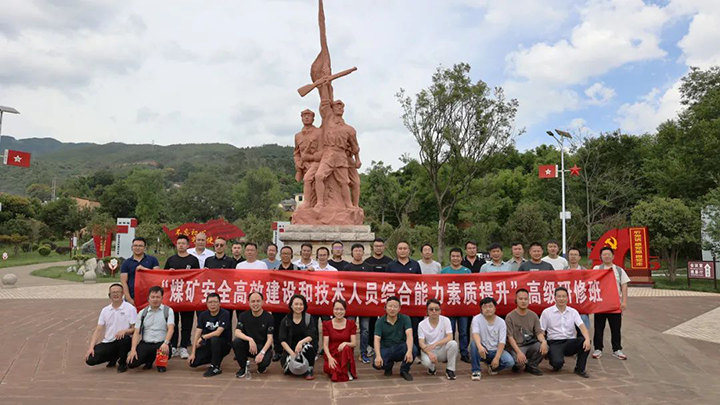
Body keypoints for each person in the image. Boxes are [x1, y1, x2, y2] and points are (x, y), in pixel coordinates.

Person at [540, 287, 591, 378]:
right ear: (554, 298)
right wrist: (543, 342)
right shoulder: (547, 312)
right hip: (554, 342)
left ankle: (580, 369)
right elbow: (541, 330)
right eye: (559, 296)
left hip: (570, 341)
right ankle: (554, 359)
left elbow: (582, 327)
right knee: (557, 363)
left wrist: (587, 339)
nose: (561, 299)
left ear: (567, 298)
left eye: (564, 296)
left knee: (585, 342)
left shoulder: (573, 312)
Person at [85, 283, 136, 373]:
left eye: (118, 292)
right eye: (113, 292)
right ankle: (113, 357)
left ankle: (122, 363)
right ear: (109, 295)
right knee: (90, 359)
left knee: (124, 340)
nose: (115, 294)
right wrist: (91, 347)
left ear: (122, 294)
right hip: (108, 341)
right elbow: (98, 329)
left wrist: (125, 331)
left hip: (123, 340)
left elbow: (135, 329)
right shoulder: (105, 310)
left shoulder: (130, 308)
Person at [165, 234, 200, 359]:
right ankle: (173, 346)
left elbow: (198, 276)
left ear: (188, 245)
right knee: (173, 322)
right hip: (174, 296)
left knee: (187, 323)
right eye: (179, 243)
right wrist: (169, 273)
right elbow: (163, 277)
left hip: (188, 296)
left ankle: (184, 346)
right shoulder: (171, 260)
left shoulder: (193, 260)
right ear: (176, 245)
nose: (181, 245)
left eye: (183, 243)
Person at [592, 246, 630, 360]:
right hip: (600, 305)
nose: (606, 256)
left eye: (609, 254)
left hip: (615, 305)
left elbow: (624, 287)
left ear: (613, 256)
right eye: (604, 254)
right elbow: (591, 284)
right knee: (599, 328)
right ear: (601, 257)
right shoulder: (596, 269)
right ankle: (598, 349)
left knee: (616, 328)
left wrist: (624, 302)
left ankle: (617, 349)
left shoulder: (619, 270)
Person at [127, 286, 175, 372]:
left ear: (162, 298)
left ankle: (160, 363)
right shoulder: (142, 313)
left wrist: (166, 343)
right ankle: (149, 360)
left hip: (161, 344)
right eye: (152, 297)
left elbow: (171, 329)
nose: (155, 299)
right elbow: (136, 332)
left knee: (161, 367)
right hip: (146, 343)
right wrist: (133, 350)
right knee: (131, 363)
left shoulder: (168, 311)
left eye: (158, 297)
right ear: (148, 299)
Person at [373, 296, 418, 381]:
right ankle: (388, 367)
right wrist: (378, 356)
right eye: (390, 306)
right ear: (385, 307)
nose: (392, 309)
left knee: (413, 350)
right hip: (386, 348)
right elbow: (376, 339)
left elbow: (409, 335)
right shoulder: (380, 321)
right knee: (377, 364)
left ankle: (404, 370)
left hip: (400, 347)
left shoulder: (405, 318)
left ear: (399, 308)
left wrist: (409, 351)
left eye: (395, 307)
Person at [469, 297, 514, 380]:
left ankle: (493, 367)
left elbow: (502, 342)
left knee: (510, 362)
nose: (488, 309)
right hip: (483, 350)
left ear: (495, 308)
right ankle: (476, 371)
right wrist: (480, 346)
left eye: (490, 306)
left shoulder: (501, 322)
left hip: (495, 350)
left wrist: (497, 358)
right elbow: (475, 334)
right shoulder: (476, 319)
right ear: (481, 309)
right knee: (474, 344)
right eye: (485, 307)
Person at [343, 243, 374, 364]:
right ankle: (349, 352)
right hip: (351, 303)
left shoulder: (368, 267)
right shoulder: (347, 268)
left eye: (360, 251)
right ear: (352, 253)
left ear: (363, 253)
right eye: (356, 251)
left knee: (365, 329)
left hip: (365, 304)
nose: (358, 253)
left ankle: (363, 353)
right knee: (350, 328)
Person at [505, 289, 547, 376]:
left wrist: (544, 342)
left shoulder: (533, 315)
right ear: (516, 300)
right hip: (517, 346)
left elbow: (538, 333)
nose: (523, 301)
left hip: (530, 344)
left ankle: (532, 365)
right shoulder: (510, 317)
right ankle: (518, 365)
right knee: (519, 364)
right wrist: (518, 352)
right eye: (520, 299)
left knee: (544, 347)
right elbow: (510, 337)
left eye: (525, 299)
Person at [189, 293, 232, 377]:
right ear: (207, 304)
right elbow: (197, 333)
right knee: (193, 362)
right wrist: (193, 353)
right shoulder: (203, 315)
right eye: (210, 302)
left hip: (223, 344)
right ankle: (214, 359)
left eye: (215, 302)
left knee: (214, 339)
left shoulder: (225, 314)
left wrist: (203, 337)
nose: (213, 304)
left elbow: (218, 333)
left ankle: (215, 367)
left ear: (219, 303)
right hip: (208, 344)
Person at [441, 248, 471, 363]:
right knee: (450, 331)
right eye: (453, 256)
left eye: (458, 256)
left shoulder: (467, 271)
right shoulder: (444, 271)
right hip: (449, 306)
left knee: (463, 332)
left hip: (464, 307)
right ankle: (449, 353)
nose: (455, 258)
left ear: (461, 258)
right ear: (450, 257)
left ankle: (464, 353)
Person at [233, 292, 274, 378]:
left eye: (258, 301)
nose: (255, 304)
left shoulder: (269, 317)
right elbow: (237, 332)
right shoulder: (243, 316)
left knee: (265, 361)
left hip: (261, 347)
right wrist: (250, 339)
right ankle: (243, 367)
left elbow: (270, 338)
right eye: (253, 301)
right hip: (248, 345)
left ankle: (261, 366)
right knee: (236, 342)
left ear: (262, 302)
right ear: (249, 302)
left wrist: (262, 353)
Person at [279, 294, 318, 380]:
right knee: (291, 370)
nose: (298, 307)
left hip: (303, 348)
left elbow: (312, 335)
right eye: (296, 304)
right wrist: (292, 353)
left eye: (301, 304)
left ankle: (309, 369)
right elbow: (282, 340)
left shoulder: (308, 318)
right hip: (290, 350)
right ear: (291, 306)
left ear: (304, 306)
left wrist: (301, 343)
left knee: (308, 347)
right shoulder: (286, 320)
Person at [418, 299, 458, 380]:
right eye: (431, 309)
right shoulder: (422, 324)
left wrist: (435, 344)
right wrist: (429, 353)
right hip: (429, 350)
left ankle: (450, 369)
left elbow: (450, 337)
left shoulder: (446, 320)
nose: (434, 311)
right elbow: (421, 342)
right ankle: (432, 368)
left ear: (440, 311)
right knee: (426, 362)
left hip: (442, 349)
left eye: (436, 309)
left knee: (453, 344)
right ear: (427, 311)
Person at [272, 246, 298, 361]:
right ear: (280, 255)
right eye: (283, 253)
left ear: (291, 256)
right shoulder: (275, 269)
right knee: (277, 327)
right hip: (278, 304)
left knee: (292, 327)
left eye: (288, 253)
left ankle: (290, 349)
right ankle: (278, 350)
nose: (285, 255)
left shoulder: (297, 269)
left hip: (292, 305)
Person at [322, 299, 357, 382]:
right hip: (332, 354)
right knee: (334, 372)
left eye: (341, 309)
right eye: (336, 309)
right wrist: (329, 358)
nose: (339, 312)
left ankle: (347, 370)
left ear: (345, 310)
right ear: (333, 310)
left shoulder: (351, 324)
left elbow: (354, 343)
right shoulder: (327, 324)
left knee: (346, 348)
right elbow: (325, 345)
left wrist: (345, 343)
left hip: (345, 354)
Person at [119, 237, 160, 305]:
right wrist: (129, 299)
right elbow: (124, 282)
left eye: (140, 246)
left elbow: (158, 276)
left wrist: (144, 269)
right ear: (132, 247)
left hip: (150, 297)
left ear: (144, 248)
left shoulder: (153, 260)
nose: (137, 248)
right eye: (135, 245)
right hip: (132, 297)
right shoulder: (126, 263)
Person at [566, 247, 590, 329]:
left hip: (581, 303)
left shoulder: (585, 271)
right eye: (571, 255)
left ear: (579, 257)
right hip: (568, 303)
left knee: (583, 328)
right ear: (568, 256)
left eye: (575, 255)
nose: (573, 257)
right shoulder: (563, 270)